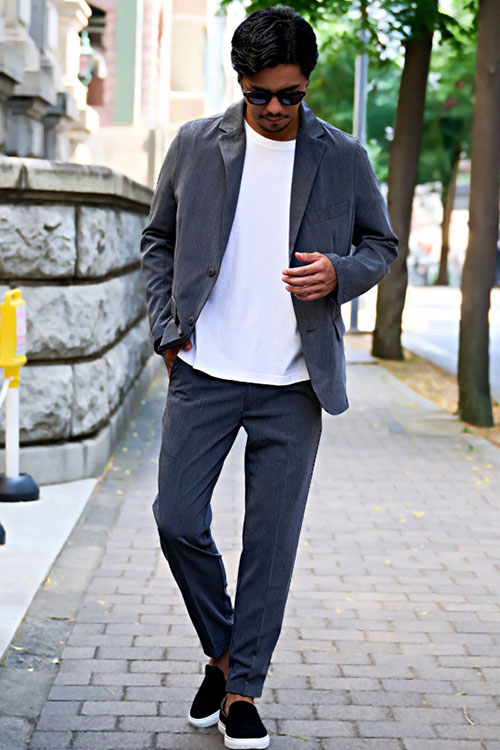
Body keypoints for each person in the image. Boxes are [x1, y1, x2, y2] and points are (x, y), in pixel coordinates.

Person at [140, 7, 398, 749]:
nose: (277, 109)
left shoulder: (341, 155)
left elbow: (381, 244)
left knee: (271, 543)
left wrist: (340, 273)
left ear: (306, 84)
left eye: (291, 94)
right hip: (204, 371)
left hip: (294, 382)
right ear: (241, 81)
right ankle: (224, 652)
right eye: (261, 95)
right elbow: (158, 241)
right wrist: (167, 333)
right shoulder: (196, 145)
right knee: (177, 520)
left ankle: (242, 689)